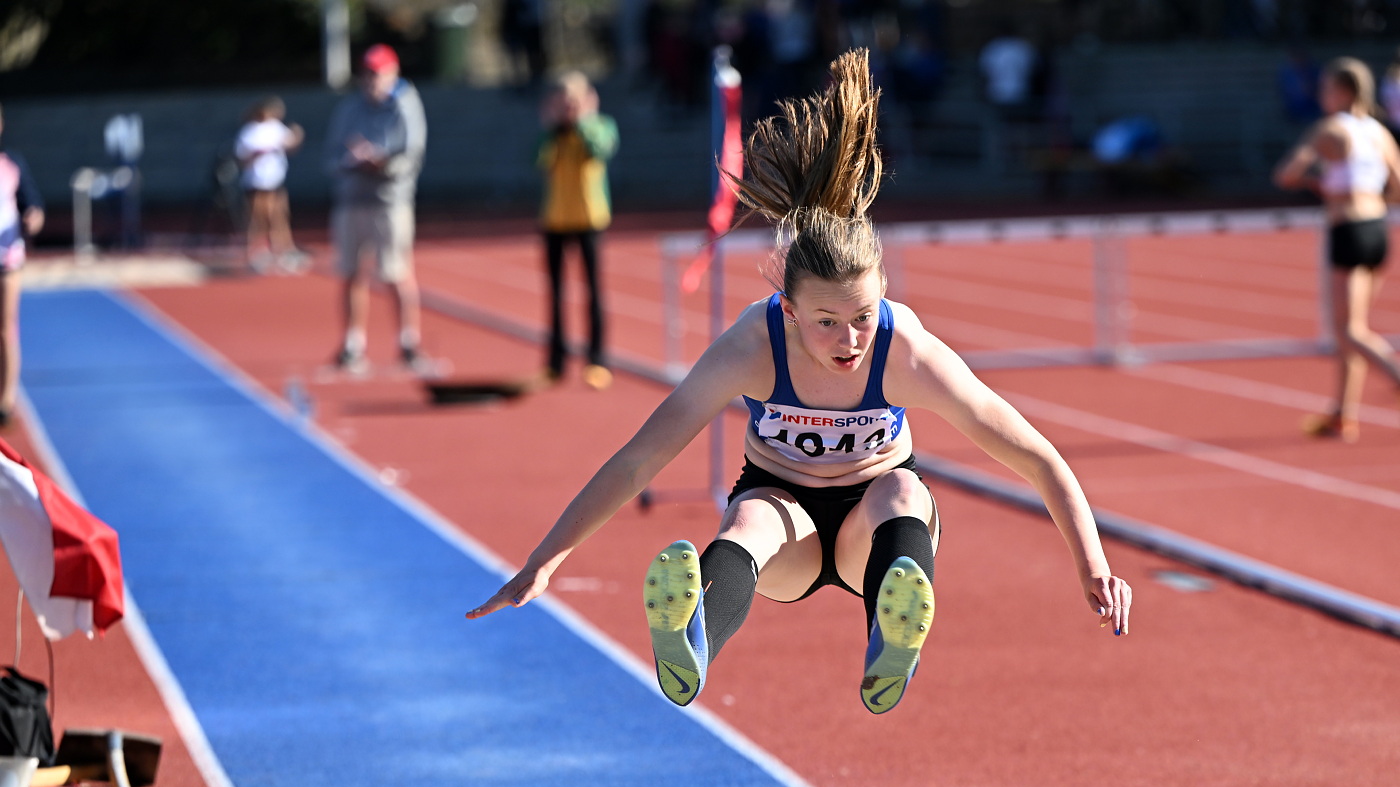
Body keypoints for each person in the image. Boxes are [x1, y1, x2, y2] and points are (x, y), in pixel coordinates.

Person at [466, 50, 1132, 716]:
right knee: (751, 519)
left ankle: (891, 642)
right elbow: (642, 458)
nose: (849, 341)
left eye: (862, 318)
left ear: (884, 298)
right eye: (826, 321)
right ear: (787, 309)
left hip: (872, 524)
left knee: (904, 488)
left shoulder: (906, 353)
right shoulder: (753, 347)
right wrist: (546, 557)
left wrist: (1092, 564)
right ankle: (693, 641)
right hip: (786, 520)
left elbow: (1036, 457)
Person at [1274, 57, 1400, 443]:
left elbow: (1287, 173)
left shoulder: (1329, 130)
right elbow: (1396, 184)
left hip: (1348, 229)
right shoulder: (1379, 132)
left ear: (1343, 91)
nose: (1322, 94)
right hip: (1378, 228)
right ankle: (1344, 414)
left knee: (1348, 330)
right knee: (1353, 328)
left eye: (1327, 87)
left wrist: (1324, 183)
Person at [324, 44, 428, 374]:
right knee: (352, 273)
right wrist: (351, 161)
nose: (371, 80)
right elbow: (331, 155)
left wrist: (380, 162)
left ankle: (408, 343)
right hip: (352, 200)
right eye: (366, 73)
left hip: (389, 201)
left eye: (377, 73)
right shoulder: (349, 108)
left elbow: (411, 155)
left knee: (396, 273)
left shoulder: (405, 105)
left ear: (392, 73)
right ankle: (353, 344)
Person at [537, 72, 620, 389]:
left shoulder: (601, 127)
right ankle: (555, 361)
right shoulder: (552, 135)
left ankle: (597, 359)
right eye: (562, 101)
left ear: (587, 100)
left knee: (593, 292)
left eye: (573, 100)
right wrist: (550, 127)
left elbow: (601, 150)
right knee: (555, 293)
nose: (568, 107)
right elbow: (537, 160)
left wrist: (585, 121)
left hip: (589, 218)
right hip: (555, 218)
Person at [0, 104, 44, 427]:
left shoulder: (12, 163)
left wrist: (34, 218)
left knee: (5, 327)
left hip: (7, 260)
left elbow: (33, 203)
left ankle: (6, 399)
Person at [235, 96, 307, 273]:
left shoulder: (276, 128)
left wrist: (298, 136)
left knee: (279, 216)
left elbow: (290, 144)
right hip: (255, 183)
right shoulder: (250, 131)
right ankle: (255, 252)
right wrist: (258, 154)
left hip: (274, 181)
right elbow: (242, 158)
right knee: (258, 218)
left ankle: (284, 251)